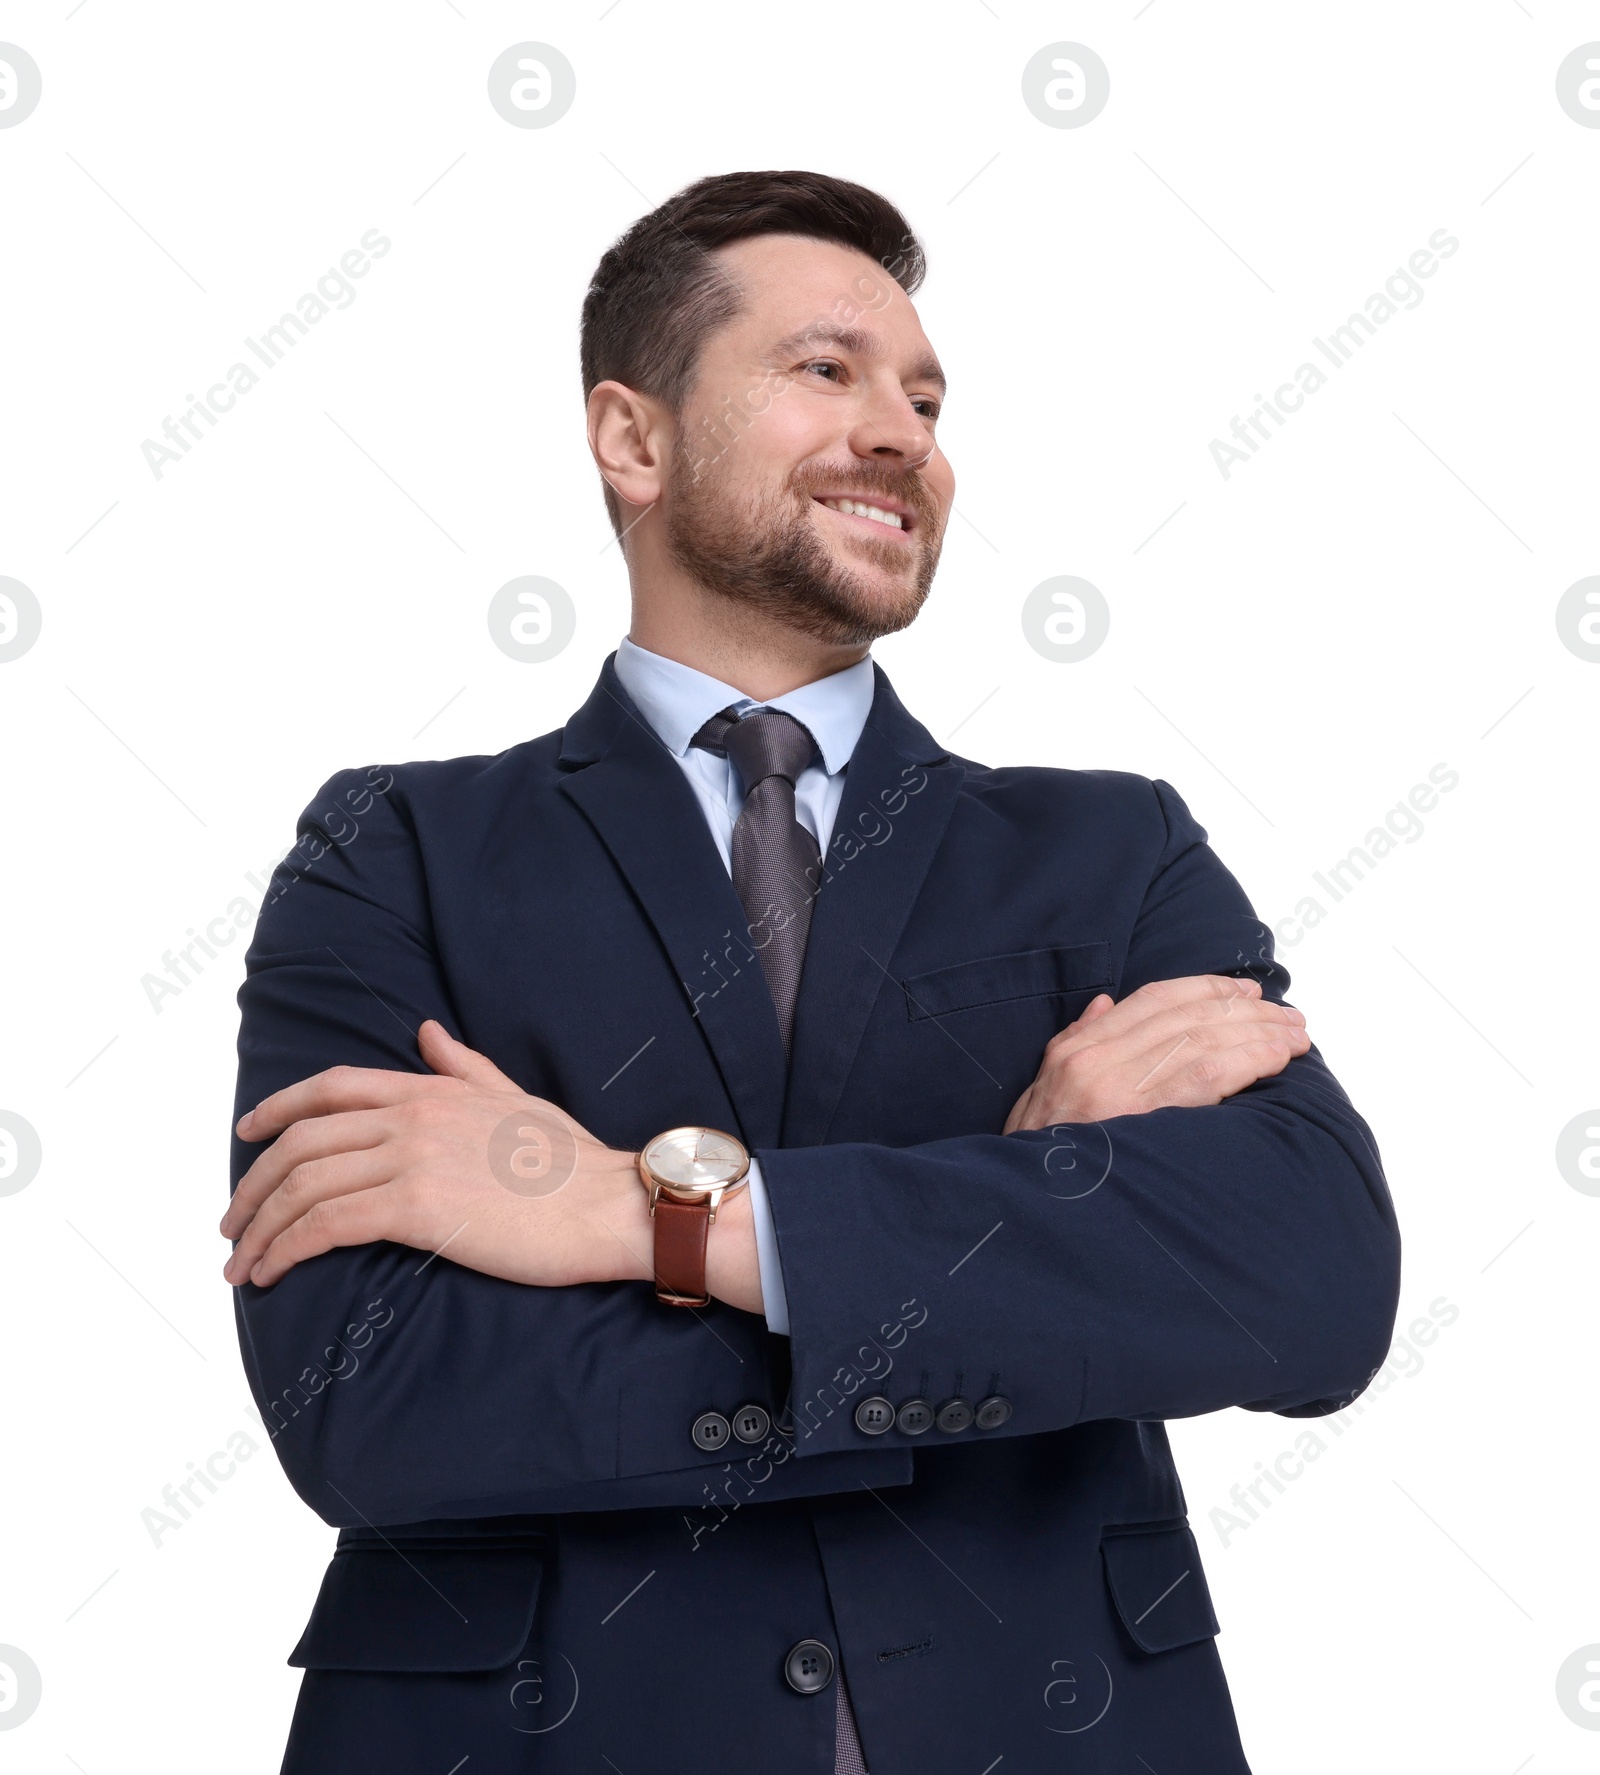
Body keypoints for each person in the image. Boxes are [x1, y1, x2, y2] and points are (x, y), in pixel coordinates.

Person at [222, 170, 1400, 1773]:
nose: (905, 432)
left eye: (925, 395)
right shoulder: (394, 852)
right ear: (632, 439)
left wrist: (633, 1219)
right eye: (828, 370)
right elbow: (372, 1402)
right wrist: (1017, 1214)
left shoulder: (1114, 854)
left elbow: (1310, 1289)